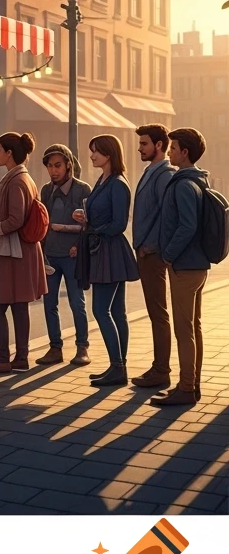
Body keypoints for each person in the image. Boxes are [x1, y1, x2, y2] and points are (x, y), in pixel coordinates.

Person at [0, 132, 48, 374]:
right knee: (19, 306)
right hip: (21, 251)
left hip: (14, 252)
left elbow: (16, 219)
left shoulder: (16, 181)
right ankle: (21, 358)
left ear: (9, 153)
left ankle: (4, 359)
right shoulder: (22, 178)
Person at [72, 135, 139, 386]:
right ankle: (118, 367)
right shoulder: (103, 180)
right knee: (117, 312)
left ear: (108, 154)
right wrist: (86, 218)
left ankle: (118, 368)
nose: (91, 156)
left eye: (95, 152)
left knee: (101, 310)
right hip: (105, 248)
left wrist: (93, 228)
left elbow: (119, 223)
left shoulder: (118, 183)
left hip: (109, 251)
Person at [152, 127, 211, 407]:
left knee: (184, 330)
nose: (170, 152)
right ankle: (191, 384)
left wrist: (168, 255)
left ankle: (187, 388)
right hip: (196, 265)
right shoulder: (199, 181)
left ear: (184, 152)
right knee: (193, 328)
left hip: (185, 267)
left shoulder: (184, 184)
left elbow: (188, 226)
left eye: (173, 148)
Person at [130, 124, 175, 392]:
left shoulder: (164, 174)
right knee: (155, 312)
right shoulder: (151, 171)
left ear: (159, 145)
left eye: (144, 144)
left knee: (158, 313)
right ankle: (158, 367)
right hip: (146, 251)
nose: (140, 148)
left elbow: (167, 216)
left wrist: (151, 246)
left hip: (153, 253)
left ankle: (161, 370)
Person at [37, 143, 92, 366]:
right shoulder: (46, 190)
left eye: (58, 165)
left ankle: (82, 347)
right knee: (49, 303)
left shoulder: (83, 190)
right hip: (50, 254)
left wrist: (78, 245)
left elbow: (90, 224)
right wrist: (40, 252)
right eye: (50, 166)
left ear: (68, 165)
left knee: (76, 302)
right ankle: (55, 348)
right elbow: (42, 223)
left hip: (73, 256)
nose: (53, 171)